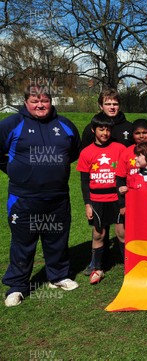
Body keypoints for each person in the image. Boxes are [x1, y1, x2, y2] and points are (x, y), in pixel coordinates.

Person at [1, 86, 81, 307]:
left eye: (44, 100)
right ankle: (17, 286)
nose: (40, 105)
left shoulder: (65, 124)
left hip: (57, 197)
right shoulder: (12, 124)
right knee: (23, 242)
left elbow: (73, 152)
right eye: (35, 101)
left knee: (56, 239)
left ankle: (58, 276)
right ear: (26, 102)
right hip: (23, 198)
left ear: (51, 101)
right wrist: (19, 172)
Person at [77, 114, 126, 285]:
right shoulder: (86, 152)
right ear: (93, 130)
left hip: (117, 198)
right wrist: (87, 204)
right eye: (101, 129)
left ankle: (130, 267)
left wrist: (124, 199)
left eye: (108, 129)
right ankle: (97, 268)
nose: (105, 132)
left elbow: (124, 174)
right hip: (97, 200)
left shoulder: (120, 149)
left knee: (122, 232)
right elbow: (84, 181)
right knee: (99, 233)